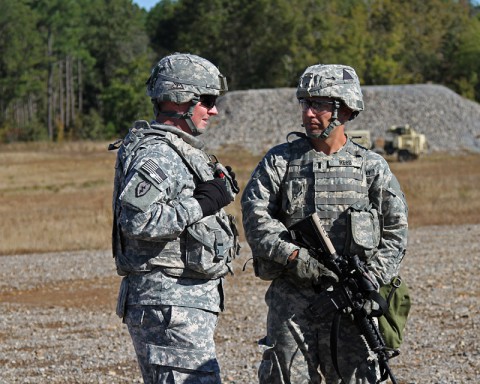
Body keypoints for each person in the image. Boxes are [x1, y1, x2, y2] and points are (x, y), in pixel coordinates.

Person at [241, 64, 408, 383]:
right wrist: (293, 256)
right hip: (292, 298)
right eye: (305, 103)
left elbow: (395, 233)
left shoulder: (370, 167)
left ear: (344, 109)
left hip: (350, 303)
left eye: (318, 104)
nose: (308, 113)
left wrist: (368, 280)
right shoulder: (281, 162)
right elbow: (255, 213)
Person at [111, 52, 240, 384]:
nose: (213, 110)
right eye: (207, 100)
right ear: (183, 99)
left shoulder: (179, 150)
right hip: (167, 302)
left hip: (179, 302)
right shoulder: (157, 154)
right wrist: (202, 204)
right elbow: (136, 221)